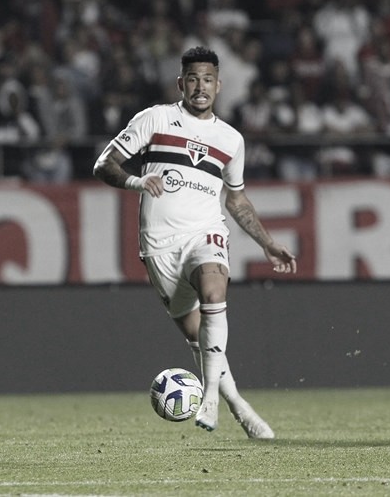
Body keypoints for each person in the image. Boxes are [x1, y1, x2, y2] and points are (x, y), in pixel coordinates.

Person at [92, 46, 297, 439]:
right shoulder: (154, 119)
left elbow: (234, 199)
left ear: (219, 85)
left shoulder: (231, 139)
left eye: (207, 79)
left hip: (205, 231)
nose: (200, 87)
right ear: (180, 83)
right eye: (192, 78)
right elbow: (104, 164)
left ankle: (211, 400)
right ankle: (239, 405)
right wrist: (137, 181)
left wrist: (267, 243)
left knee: (214, 284)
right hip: (159, 245)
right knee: (196, 334)